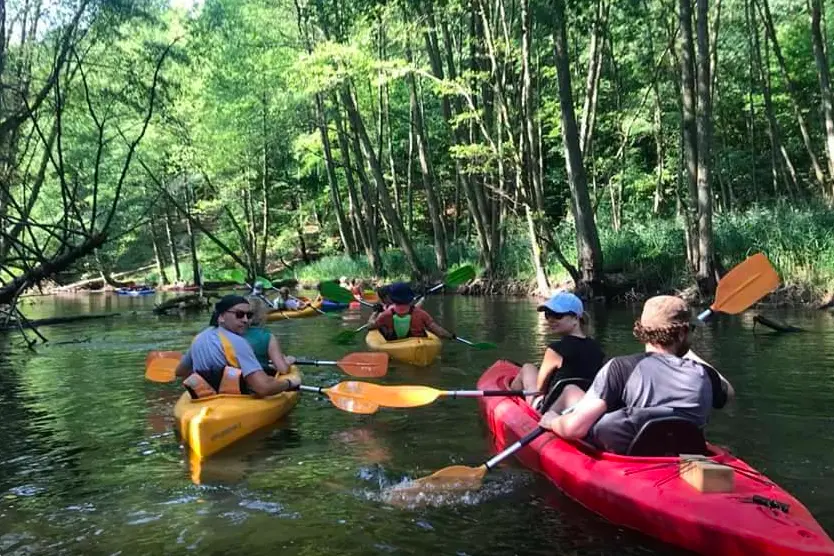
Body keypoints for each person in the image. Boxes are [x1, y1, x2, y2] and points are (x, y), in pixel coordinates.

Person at [538, 295, 735, 455]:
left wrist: (552, 421)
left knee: (576, 403)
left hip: (632, 458)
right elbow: (728, 393)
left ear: (642, 330)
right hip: (685, 457)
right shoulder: (705, 374)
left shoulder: (621, 368)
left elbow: (574, 429)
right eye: (691, 330)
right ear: (683, 334)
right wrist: (686, 348)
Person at [175, 295, 300, 398]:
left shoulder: (198, 338)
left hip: (206, 399)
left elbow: (180, 371)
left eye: (248, 315)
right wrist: (288, 383)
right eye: (239, 314)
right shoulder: (238, 342)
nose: (246, 320)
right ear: (221, 317)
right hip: (234, 400)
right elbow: (263, 388)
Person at [510, 292, 605, 414]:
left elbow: (539, 389)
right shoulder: (597, 348)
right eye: (548, 315)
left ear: (576, 318)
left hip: (551, 409)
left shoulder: (555, 350)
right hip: (579, 406)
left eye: (557, 315)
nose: (550, 320)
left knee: (528, 368)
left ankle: (510, 400)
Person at [367, 282, 455, 341]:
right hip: (418, 342)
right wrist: (451, 336)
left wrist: (375, 312)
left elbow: (370, 326)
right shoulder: (421, 314)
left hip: (396, 344)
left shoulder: (386, 314)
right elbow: (439, 331)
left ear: (392, 297)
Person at [244, 297, 295, 374]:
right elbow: (283, 369)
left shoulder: (231, 333)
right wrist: (288, 361)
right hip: (260, 379)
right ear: (261, 315)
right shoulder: (268, 337)